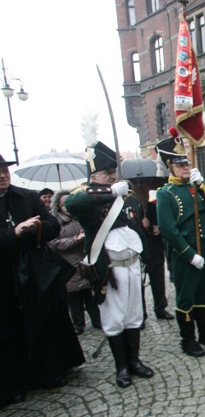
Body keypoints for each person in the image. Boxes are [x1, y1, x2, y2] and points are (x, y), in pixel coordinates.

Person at [65, 141, 154, 388]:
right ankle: (122, 367)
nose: (113, 176)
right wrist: (109, 191)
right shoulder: (89, 197)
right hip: (110, 270)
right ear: (94, 176)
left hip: (132, 265)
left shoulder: (125, 196)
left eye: (114, 172)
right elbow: (72, 203)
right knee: (115, 317)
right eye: (107, 173)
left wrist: (146, 258)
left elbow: (135, 227)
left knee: (134, 314)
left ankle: (134, 361)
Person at [0, 154, 85, 408]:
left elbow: (52, 225)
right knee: (9, 329)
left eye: (4, 170)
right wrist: (13, 234)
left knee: (45, 320)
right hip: (5, 275)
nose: (3, 175)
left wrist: (36, 229)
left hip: (35, 271)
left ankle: (50, 372)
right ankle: (14, 383)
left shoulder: (26, 197)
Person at [155, 134, 205, 357]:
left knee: (202, 292)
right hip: (185, 251)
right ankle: (188, 340)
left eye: (186, 163)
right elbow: (168, 229)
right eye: (180, 165)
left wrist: (201, 183)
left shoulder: (196, 187)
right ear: (170, 168)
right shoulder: (165, 193)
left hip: (204, 246)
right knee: (186, 295)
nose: (185, 167)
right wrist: (189, 254)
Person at [48, 190, 101, 335]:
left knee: (90, 294)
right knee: (74, 297)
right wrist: (75, 240)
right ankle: (78, 324)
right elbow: (53, 243)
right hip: (68, 263)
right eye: (62, 205)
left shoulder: (80, 217)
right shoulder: (55, 222)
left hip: (85, 260)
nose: (66, 207)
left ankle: (97, 320)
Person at [140, 192, 174, 321]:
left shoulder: (154, 207)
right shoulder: (131, 209)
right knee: (139, 285)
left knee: (158, 283)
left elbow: (165, 224)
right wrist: (141, 225)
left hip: (156, 250)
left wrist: (158, 229)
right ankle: (141, 314)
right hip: (141, 252)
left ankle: (160, 309)